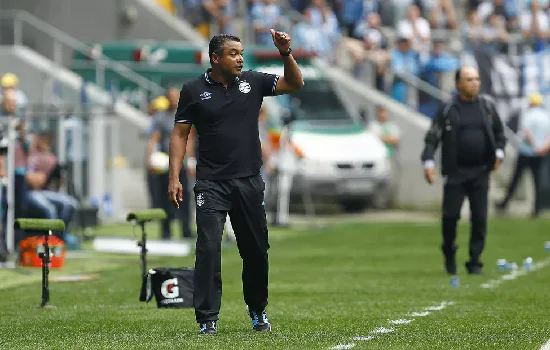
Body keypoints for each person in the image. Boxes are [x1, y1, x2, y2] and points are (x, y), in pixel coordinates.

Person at [168, 31, 304, 334]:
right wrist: (174, 176)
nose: (240, 58)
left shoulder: (253, 81)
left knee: (256, 250)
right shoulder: (192, 90)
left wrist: (286, 52)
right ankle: (207, 319)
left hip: (249, 182)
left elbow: (295, 83)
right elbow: (179, 135)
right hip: (210, 183)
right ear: (215, 58)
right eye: (233, 53)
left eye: (241, 52)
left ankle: (257, 310)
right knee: (208, 249)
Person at [421, 67, 506, 276]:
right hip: (455, 173)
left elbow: (500, 134)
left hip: (480, 172)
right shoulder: (448, 108)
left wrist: (499, 153)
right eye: (469, 79)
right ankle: (449, 253)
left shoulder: (487, 106)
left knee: (480, 219)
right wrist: (428, 162)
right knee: (450, 217)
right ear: (458, 84)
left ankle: (475, 261)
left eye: (477, 79)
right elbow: (432, 137)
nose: (475, 83)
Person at [148, 89, 194, 240]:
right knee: (165, 197)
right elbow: (154, 139)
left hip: (182, 163)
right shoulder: (160, 117)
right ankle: (166, 231)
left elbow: (190, 139)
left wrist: (192, 160)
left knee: (185, 198)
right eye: (171, 97)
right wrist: (151, 158)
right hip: (166, 165)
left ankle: (186, 230)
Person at [496, 93, 550, 217]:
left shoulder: (529, 115)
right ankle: (536, 209)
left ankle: (504, 204)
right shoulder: (546, 116)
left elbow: (527, 133)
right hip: (540, 154)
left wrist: (535, 146)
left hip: (526, 153)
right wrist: (543, 148)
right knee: (537, 182)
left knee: (515, 179)